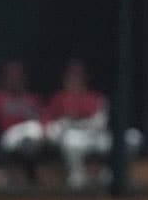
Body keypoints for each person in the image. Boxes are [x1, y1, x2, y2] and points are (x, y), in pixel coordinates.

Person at [43, 59, 142, 189]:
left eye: (78, 77)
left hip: (98, 138)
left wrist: (76, 120)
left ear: (85, 78)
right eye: (71, 77)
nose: (75, 80)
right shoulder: (59, 98)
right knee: (71, 140)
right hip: (78, 139)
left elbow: (101, 122)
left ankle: (114, 171)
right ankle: (77, 174)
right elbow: (47, 122)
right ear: (65, 79)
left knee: (134, 137)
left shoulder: (96, 98)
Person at [0, 60, 46, 187]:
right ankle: (22, 172)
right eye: (11, 77)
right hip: (8, 138)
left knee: (35, 130)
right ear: (5, 79)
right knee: (32, 128)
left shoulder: (32, 100)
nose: (14, 81)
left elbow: (45, 119)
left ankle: (24, 172)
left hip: (29, 140)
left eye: (17, 77)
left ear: (23, 79)